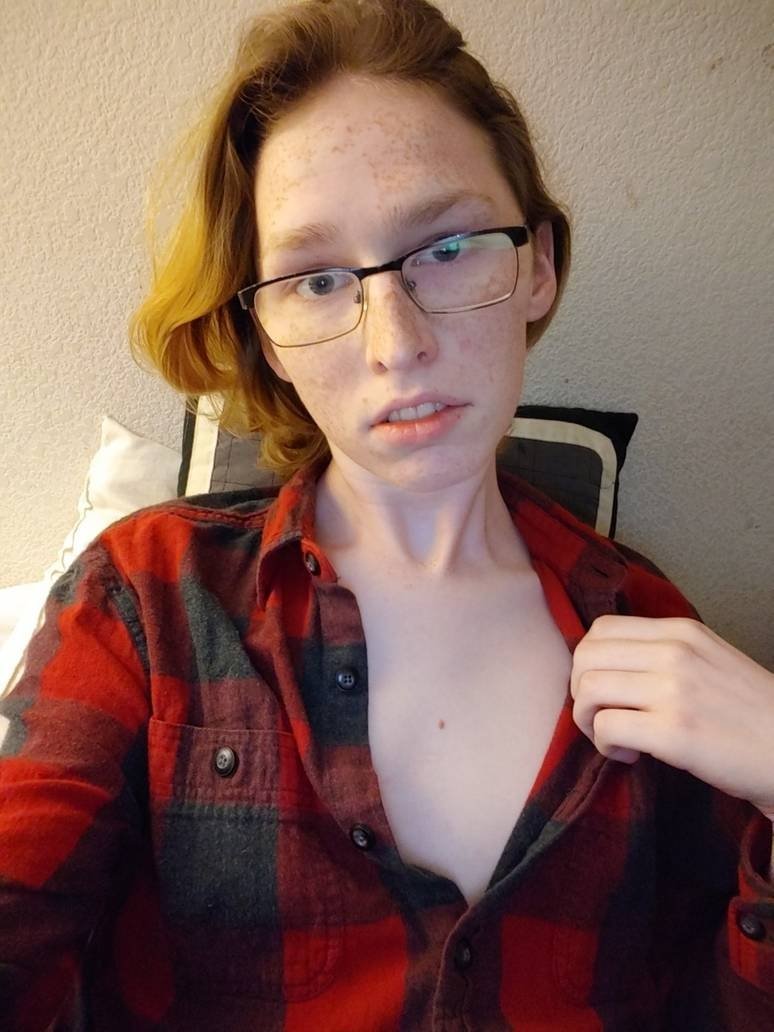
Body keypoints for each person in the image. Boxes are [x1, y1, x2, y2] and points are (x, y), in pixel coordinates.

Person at [1, 0, 773, 1028]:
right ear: (268, 338)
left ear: (538, 264)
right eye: (316, 280)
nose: (395, 343)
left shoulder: (655, 627)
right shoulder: (144, 602)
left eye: (448, 247)